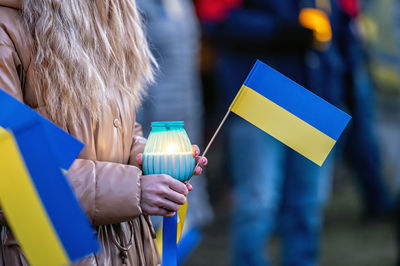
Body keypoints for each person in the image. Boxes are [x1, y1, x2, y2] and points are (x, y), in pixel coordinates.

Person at [0, 0, 206, 265]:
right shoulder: (7, 28)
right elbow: (10, 171)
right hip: (51, 251)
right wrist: (134, 189)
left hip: (125, 247)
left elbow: (123, 129)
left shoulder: (107, 15)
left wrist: (154, 161)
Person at [136, 0, 214, 231]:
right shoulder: (135, 5)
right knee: (160, 220)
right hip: (151, 128)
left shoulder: (183, 4)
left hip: (186, 121)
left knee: (187, 216)